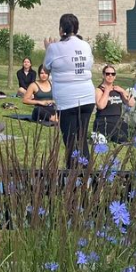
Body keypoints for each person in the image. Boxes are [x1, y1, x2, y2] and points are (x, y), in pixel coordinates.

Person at [43, 13, 96, 167]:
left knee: (70, 141)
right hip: (87, 97)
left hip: (68, 101)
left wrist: (48, 49)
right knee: (82, 138)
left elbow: (45, 70)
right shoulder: (85, 45)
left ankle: (72, 179)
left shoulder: (54, 48)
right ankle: (87, 176)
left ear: (61, 30)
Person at [94, 65, 135, 142]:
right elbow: (100, 106)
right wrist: (107, 91)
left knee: (133, 135)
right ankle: (99, 136)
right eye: (107, 74)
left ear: (115, 76)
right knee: (122, 138)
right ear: (103, 75)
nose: (110, 76)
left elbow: (131, 103)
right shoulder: (99, 90)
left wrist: (122, 91)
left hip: (118, 121)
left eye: (113, 74)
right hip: (104, 122)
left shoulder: (117, 90)